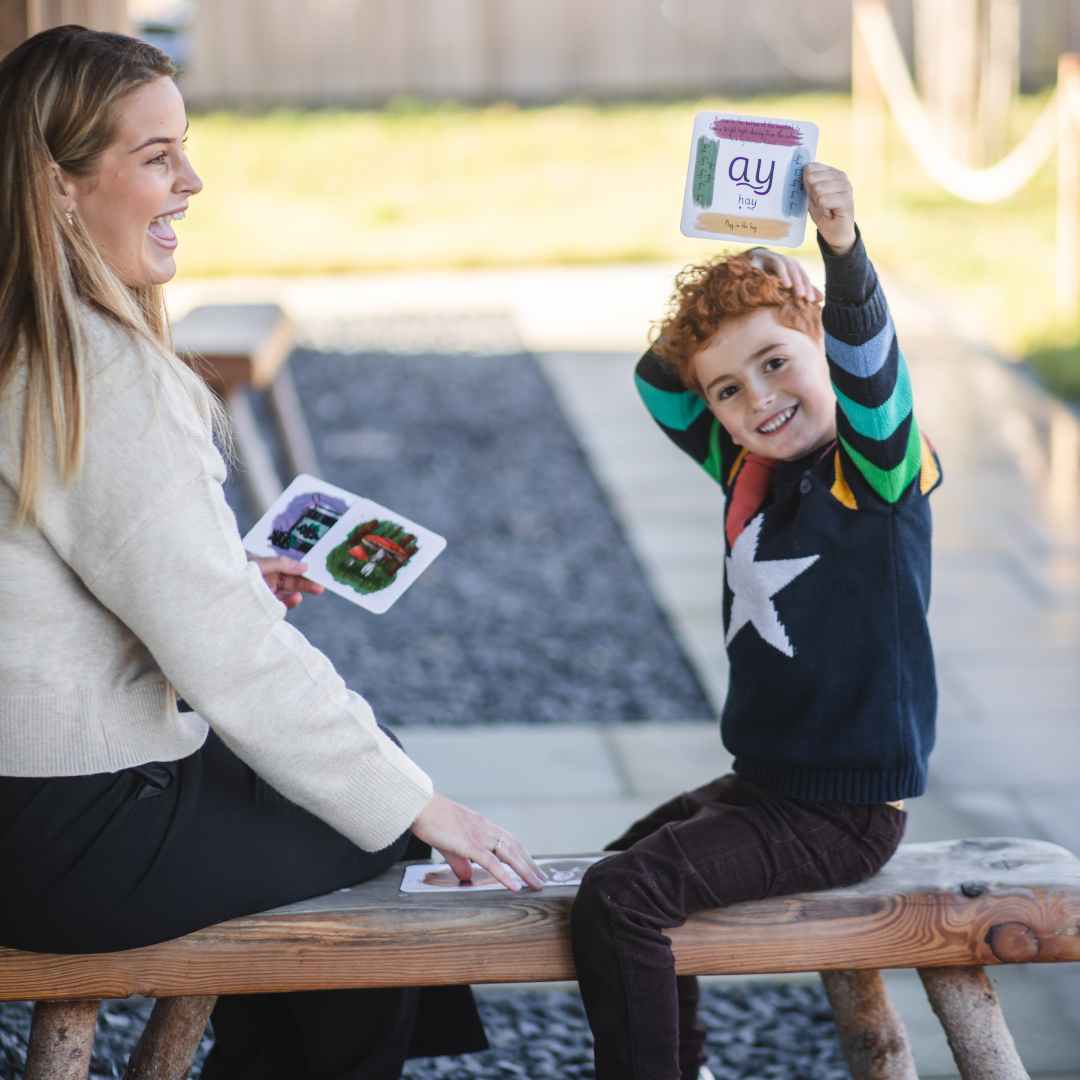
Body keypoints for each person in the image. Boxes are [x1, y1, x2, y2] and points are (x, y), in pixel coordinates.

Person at [0, 25, 543, 1080]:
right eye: (156, 156)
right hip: (67, 839)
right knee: (381, 834)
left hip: (21, 805)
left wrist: (221, 582)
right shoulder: (102, 380)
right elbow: (234, 658)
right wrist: (420, 802)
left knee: (338, 789)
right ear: (60, 185)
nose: (191, 180)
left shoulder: (27, 349)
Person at [570, 162, 941, 1080]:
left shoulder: (876, 480)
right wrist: (743, 268)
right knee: (618, 867)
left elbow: (872, 372)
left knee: (626, 895)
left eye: (777, 362)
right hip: (770, 783)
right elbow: (661, 386)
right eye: (729, 390)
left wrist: (837, 256)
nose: (758, 398)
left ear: (822, 353)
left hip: (844, 809)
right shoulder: (750, 469)